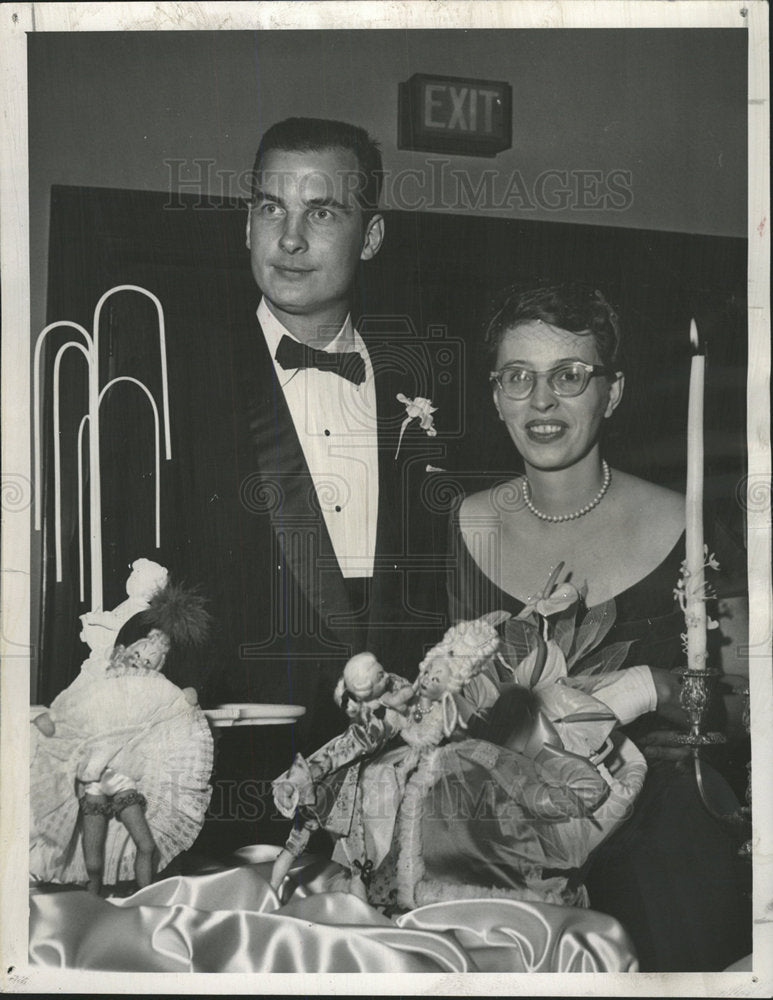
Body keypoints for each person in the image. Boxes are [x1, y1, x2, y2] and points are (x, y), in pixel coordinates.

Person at [448, 281, 750, 971]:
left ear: (610, 394)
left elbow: (748, 700)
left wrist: (652, 687)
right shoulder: (458, 528)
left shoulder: (693, 525)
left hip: (666, 854)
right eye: (518, 377)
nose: (541, 401)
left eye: (569, 376)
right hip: (502, 856)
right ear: (495, 395)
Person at [170, 118, 456, 845]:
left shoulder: (430, 387)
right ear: (246, 223)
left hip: (407, 796)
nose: (289, 239)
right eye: (271, 208)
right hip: (229, 800)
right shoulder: (174, 375)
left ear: (371, 236)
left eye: (321, 212)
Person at [29, 575, 214, 894]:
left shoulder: (157, 692)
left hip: (127, 779)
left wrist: (186, 697)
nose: (145, 662)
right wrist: (51, 722)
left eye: (154, 660)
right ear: (123, 652)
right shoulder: (100, 684)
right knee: (94, 859)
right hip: (94, 782)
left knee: (145, 843)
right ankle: (94, 898)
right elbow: (71, 715)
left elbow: (174, 712)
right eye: (140, 655)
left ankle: (146, 897)